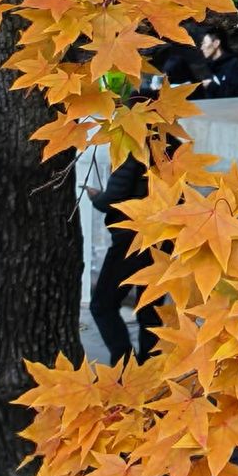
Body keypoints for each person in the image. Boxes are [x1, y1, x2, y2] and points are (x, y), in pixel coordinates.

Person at [88, 154, 159, 363]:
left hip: (131, 240)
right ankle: (150, 371)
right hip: (164, 240)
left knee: (102, 305)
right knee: (150, 311)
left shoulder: (134, 150)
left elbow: (113, 200)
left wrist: (96, 197)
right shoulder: (172, 147)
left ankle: (125, 366)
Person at [195, 24, 238, 99]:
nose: (202, 48)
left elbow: (237, 94)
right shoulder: (211, 67)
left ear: (216, 43)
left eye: (204, 43)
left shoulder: (234, 65)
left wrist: (211, 86)